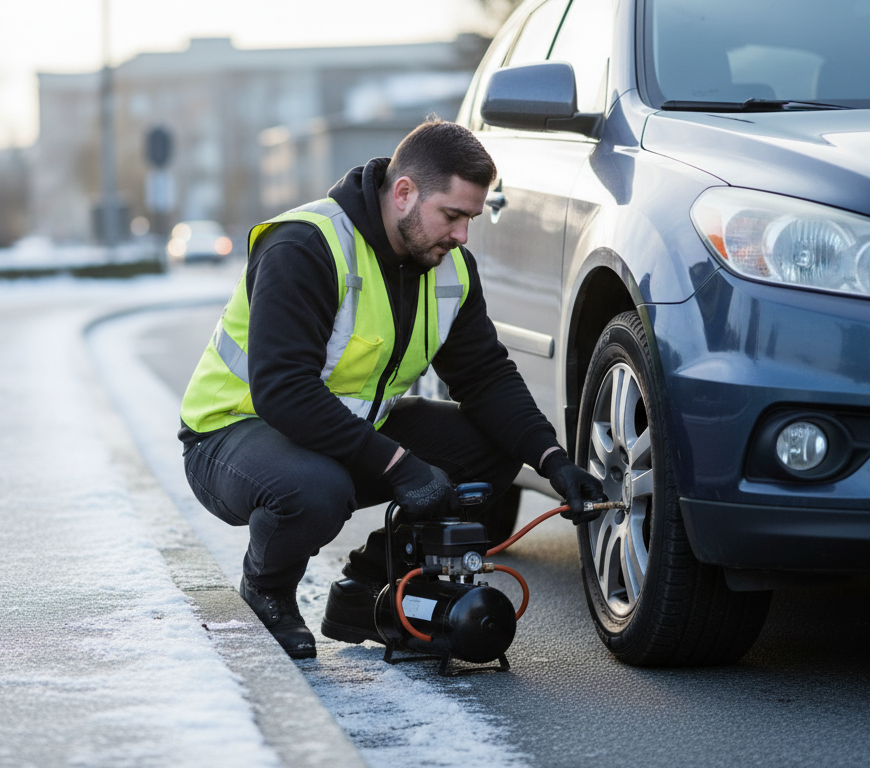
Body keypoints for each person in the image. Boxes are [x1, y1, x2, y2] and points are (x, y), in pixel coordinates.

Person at [178, 117, 607, 659]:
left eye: (471, 219)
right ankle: (267, 592)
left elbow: (486, 376)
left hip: (346, 431)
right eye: (452, 215)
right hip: (232, 435)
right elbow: (283, 391)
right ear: (404, 192)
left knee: (495, 450)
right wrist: (400, 466)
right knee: (316, 489)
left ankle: (367, 591)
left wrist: (553, 460)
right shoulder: (306, 246)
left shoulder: (449, 268)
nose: (462, 235)